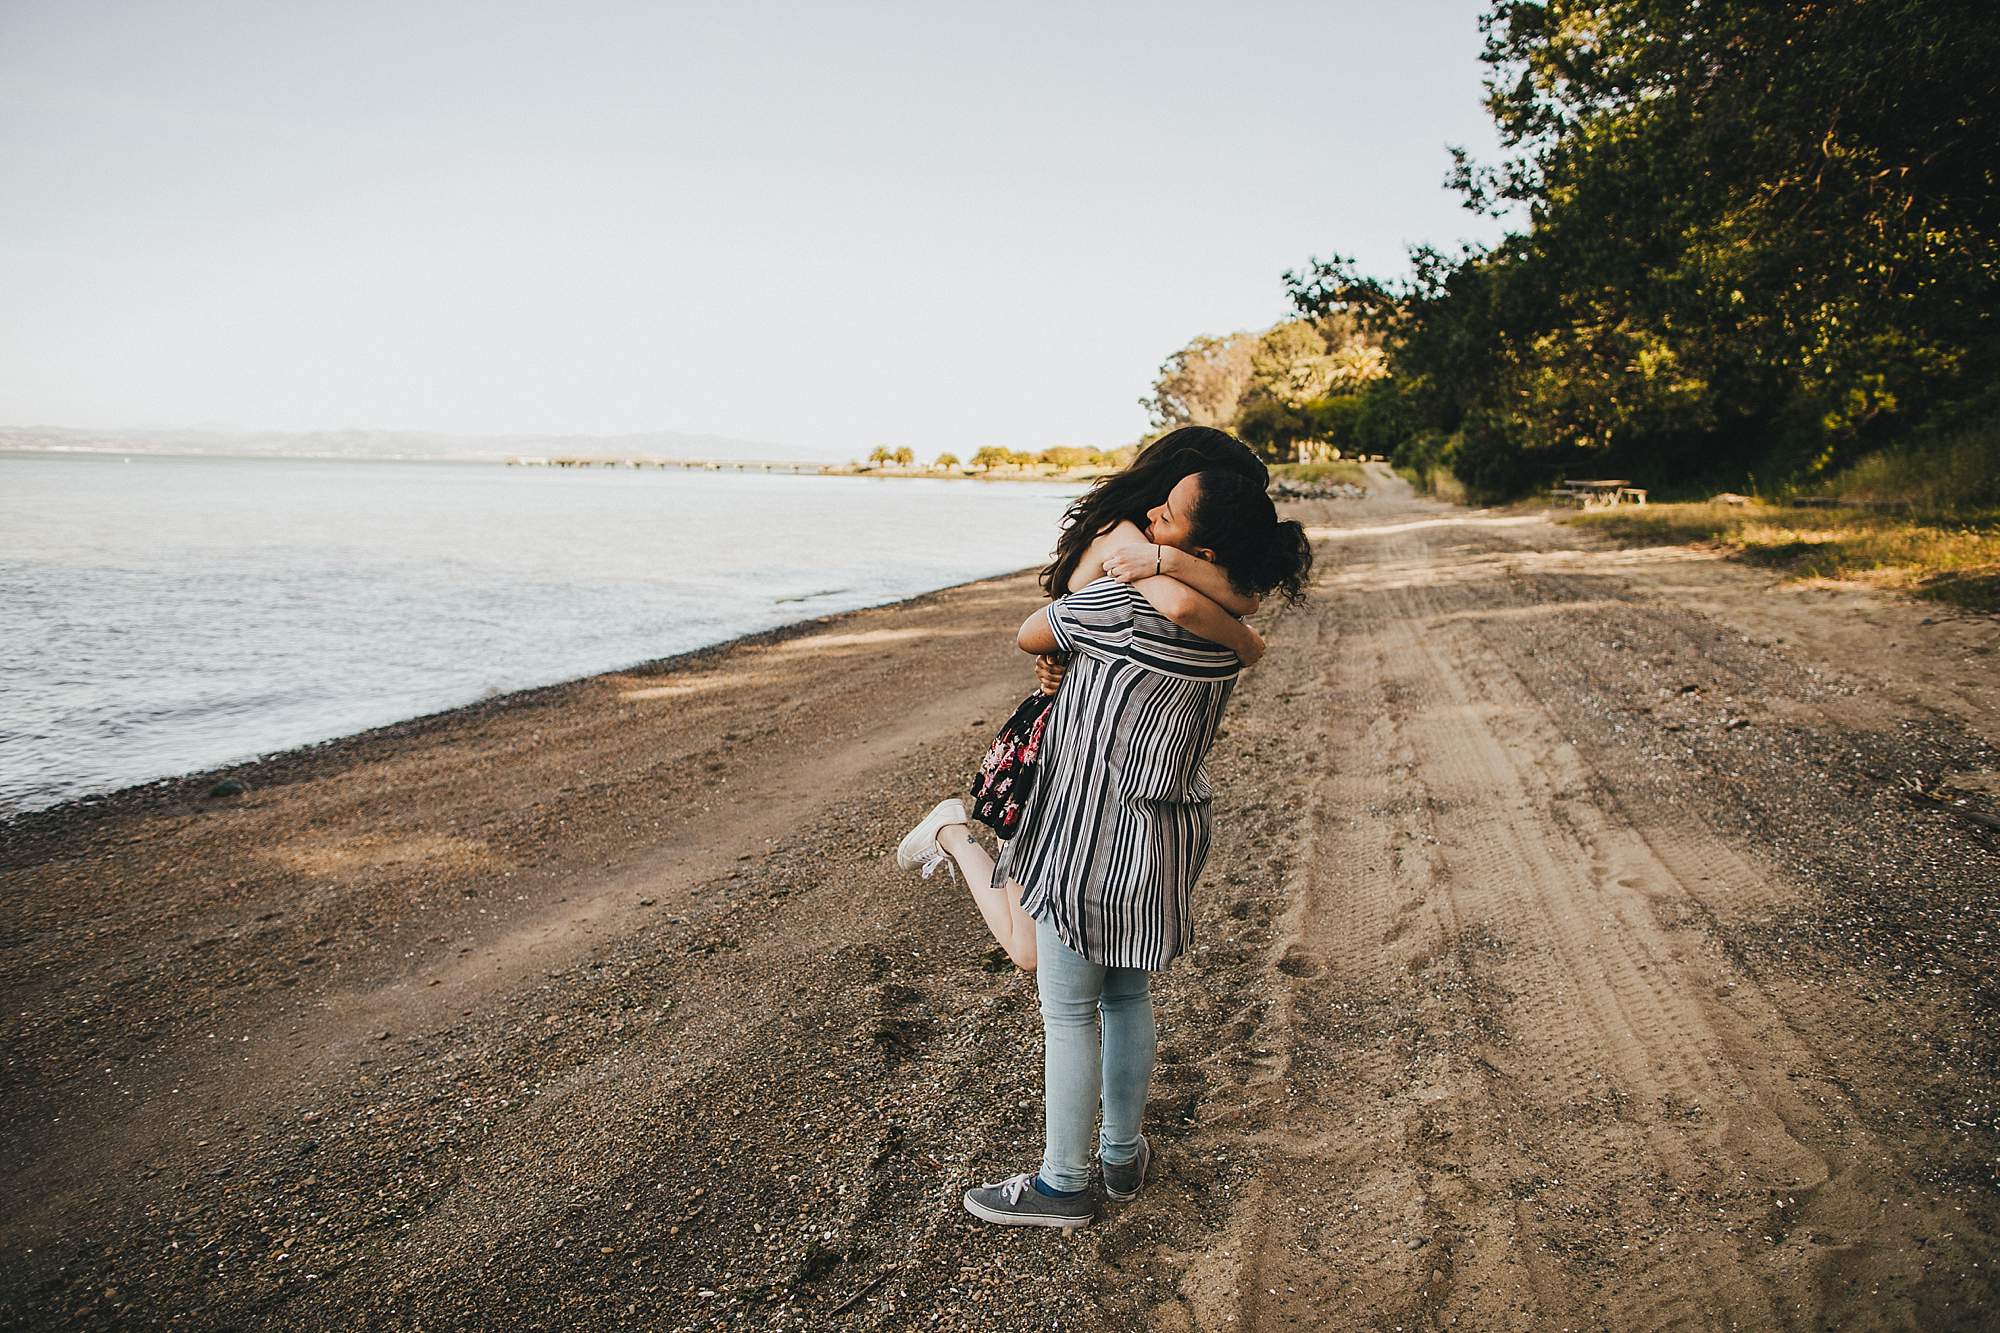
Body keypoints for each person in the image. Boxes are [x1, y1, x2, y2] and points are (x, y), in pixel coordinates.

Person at [896, 446, 1314, 1230]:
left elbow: (1030, 631)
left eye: (1168, 515)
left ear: (1198, 543)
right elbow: (1223, 613)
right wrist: (1162, 567)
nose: (1152, 516)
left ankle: (1062, 1182)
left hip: (1084, 833)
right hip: (1161, 844)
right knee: (1126, 998)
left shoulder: (1120, 605)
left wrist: (1107, 591)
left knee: (1066, 1015)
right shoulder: (1226, 640)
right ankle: (1121, 1159)